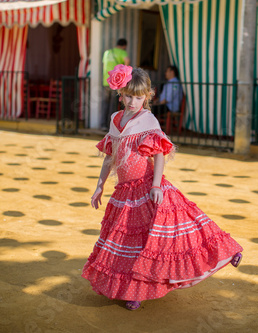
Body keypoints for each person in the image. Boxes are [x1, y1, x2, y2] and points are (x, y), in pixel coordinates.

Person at [82, 65, 243, 311]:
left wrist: (156, 186)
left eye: (138, 97)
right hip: (125, 192)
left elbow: (158, 154)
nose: (133, 101)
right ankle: (133, 290)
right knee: (129, 241)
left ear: (147, 96)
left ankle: (226, 251)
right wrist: (99, 186)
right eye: (128, 96)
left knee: (177, 227)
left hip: (147, 186)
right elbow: (109, 156)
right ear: (120, 94)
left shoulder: (148, 119)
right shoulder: (116, 119)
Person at [101, 38, 131, 130]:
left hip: (106, 81)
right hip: (116, 83)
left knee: (105, 104)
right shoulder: (122, 52)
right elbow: (127, 61)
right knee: (113, 104)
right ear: (124, 46)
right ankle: (111, 125)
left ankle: (103, 125)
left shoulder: (107, 52)